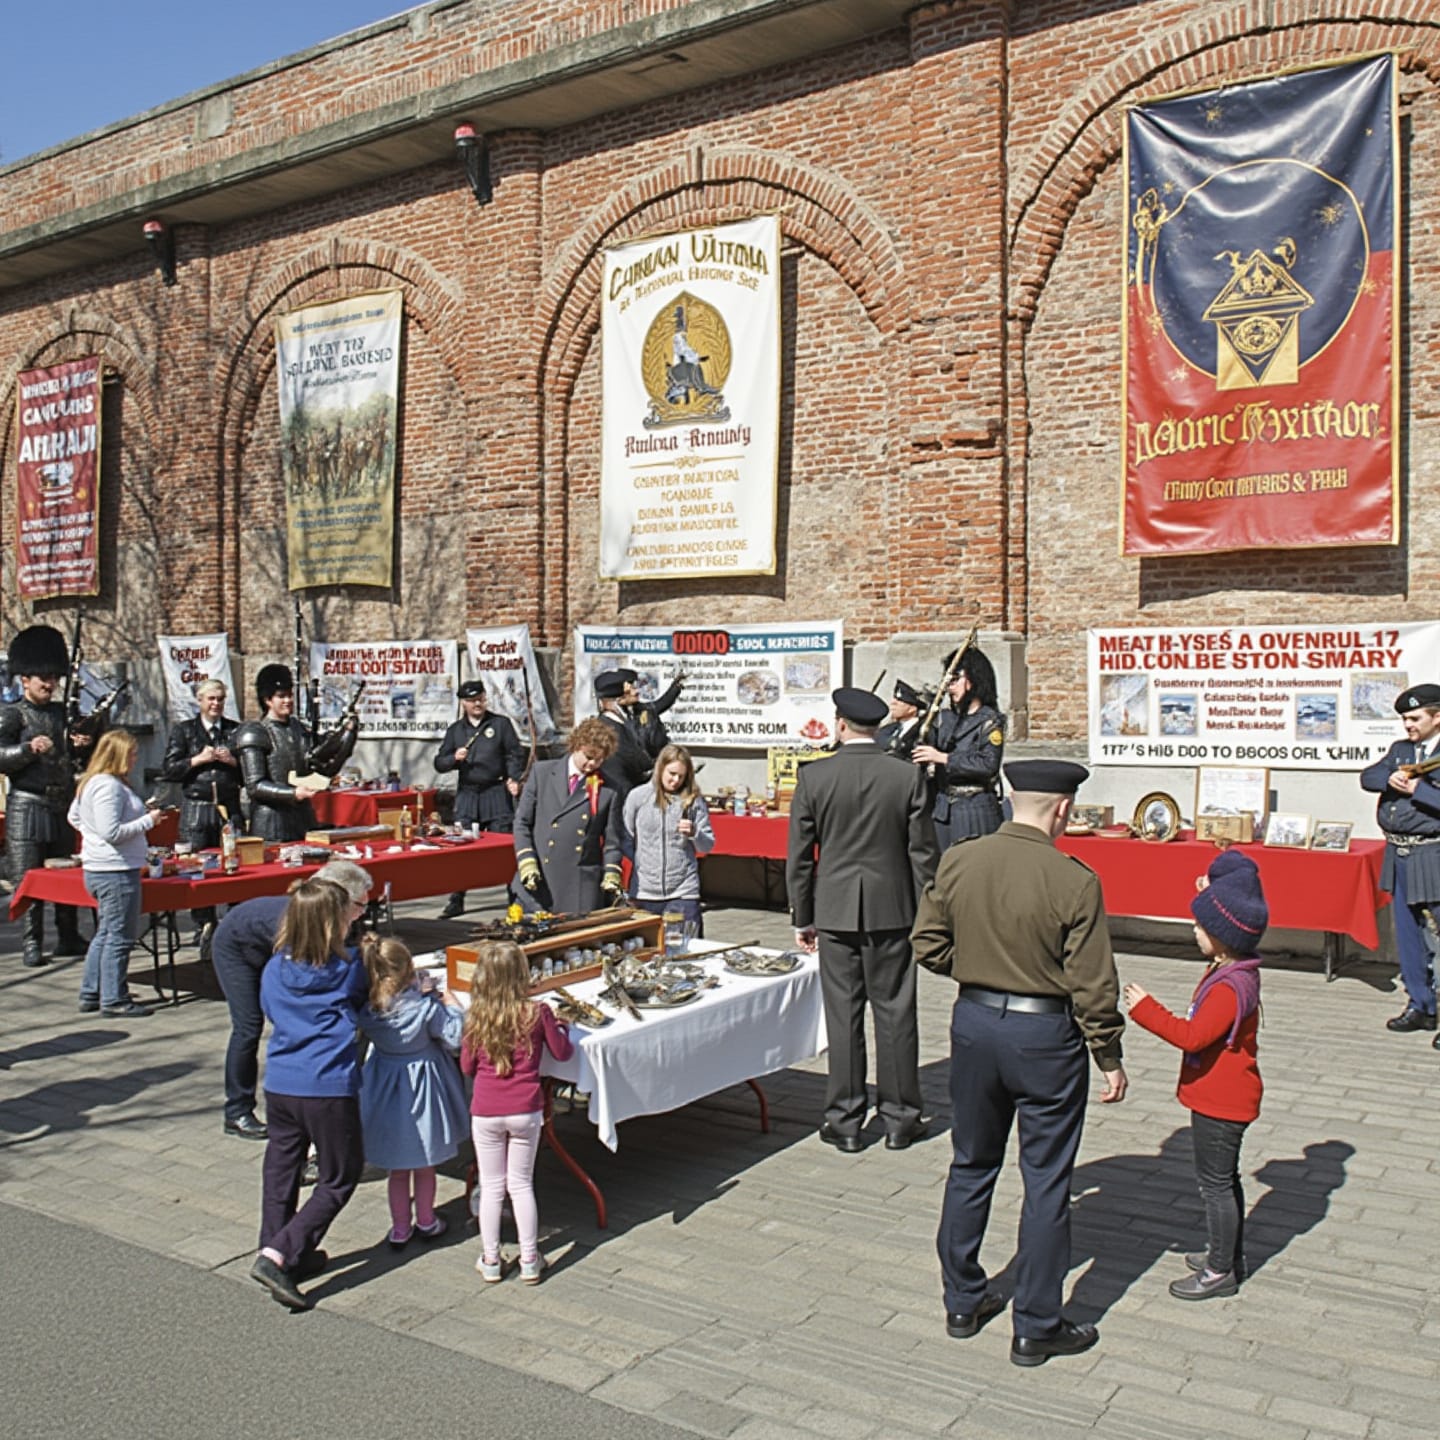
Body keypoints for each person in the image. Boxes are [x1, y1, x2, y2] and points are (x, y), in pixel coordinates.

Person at [911, 759, 1126, 1366]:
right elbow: (1092, 984)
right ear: (1062, 808)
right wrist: (1107, 1053)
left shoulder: (962, 858)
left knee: (971, 1163)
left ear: (1011, 799)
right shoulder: (1074, 879)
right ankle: (1035, 1323)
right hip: (1046, 1035)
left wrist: (979, 973)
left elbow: (926, 943)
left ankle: (962, 1299)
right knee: (1046, 1181)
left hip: (975, 1022)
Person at [785, 687, 940, 1152]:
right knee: (895, 1012)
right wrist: (929, 913)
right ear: (877, 727)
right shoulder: (905, 776)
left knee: (843, 1015)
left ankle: (846, 1119)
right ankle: (899, 1118)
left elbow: (799, 857)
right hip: (893, 909)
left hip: (833, 910)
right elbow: (923, 855)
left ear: (839, 724)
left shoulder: (814, 777)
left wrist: (802, 915)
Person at [1124, 850, 1266, 1300]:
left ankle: (1220, 1270)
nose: (1194, 931)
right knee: (1226, 1180)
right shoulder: (1232, 967)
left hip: (1221, 1101)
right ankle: (1227, 1254)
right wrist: (1213, 889)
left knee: (1216, 1185)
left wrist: (1145, 1010)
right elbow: (1236, 880)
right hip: (1222, 1096)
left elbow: (1192, 1036)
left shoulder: (1229, 986)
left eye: (1201, 928)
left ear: (1222, 937)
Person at [250, 876, 369, 1311]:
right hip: (328, 1085)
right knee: (340, 1175)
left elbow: (268, 1008)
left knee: (281, 1170)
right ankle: (280, 1253)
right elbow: (365, 1004)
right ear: (331, 924)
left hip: (281, 1081)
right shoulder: (349, 967)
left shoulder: (274, 967)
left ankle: (281, 1249)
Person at [210, 859, 374, 1141]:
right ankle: (237, 1110)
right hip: (236, 948)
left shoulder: (327, 918)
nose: (362, 914)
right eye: (360, 906)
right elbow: (303, 979)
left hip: (264, 944)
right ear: (337, 899)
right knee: (248, 1027)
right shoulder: (297, 920)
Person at [461, 940, 574, 1283]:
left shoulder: (476, 1016)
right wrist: (562, 1026)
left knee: (492, 1186)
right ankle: (529, 1258)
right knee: (522, 1184)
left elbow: (466, 1065)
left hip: (486, 1109)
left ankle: (491, 1258)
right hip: (526, 1107)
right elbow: (562, 1052)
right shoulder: (536, 1012)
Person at [357, 935, 469, 1248]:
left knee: (397, 1167)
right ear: (409, 971)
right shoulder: (425, 1010)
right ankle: (427, 1220)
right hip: (424, 1085)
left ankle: (400, 1228)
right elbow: (454, 1037)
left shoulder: (370, 1011)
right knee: (424, 1163)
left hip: (385, 1084)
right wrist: (450, 1004)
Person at [0, 623, 92, 967]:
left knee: (65, 874)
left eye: (54, 677)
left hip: (61, 803)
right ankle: (31, 941)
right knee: (28, 878)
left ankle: (68, 935)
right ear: (25, 679)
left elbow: (72, 756)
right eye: (42, 678)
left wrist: (81, 744)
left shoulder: (61, 714)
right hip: (27, 804)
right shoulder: (12, 713)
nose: (49, 684)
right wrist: (27, 749)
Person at [1360, 684, 1440, 1035]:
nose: (1407, 724)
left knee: (1436, 936)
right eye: (1404, 718)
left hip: (1432, 852)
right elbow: (1369, 776)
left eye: (1414, 718)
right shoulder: (1402, 749)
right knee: (1407, 934)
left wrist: (1418, 791)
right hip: (1399, 851)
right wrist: (1392, 779)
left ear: (1437, 717)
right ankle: (1420, 1003)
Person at [68, 729, 160, 1018]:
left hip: (101, 867)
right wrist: (148, 820)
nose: (135, 759)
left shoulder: (91, 783)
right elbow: (112, 832)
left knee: (105, 933)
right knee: (119, 937)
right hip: (115, 870)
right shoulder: (108, 786)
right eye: (131, 754)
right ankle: (114, 998)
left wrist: (91, 835)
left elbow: (75, 816)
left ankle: (92, 990)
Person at [432, 678, 525, 919]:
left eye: (481, 699)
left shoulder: (500, 724)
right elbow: (439, 763)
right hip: (468, 794)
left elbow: (515, 754)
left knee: (504, 847)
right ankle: (457, 898)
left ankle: (514, 898)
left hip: (495, 792)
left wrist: (514, 777)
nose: (478, 704)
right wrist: (454, 757)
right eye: (473, 700)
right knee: (462, 849)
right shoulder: (456, 731)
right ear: (463, 703)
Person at [233, 663, 357, 842]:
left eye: (290, 695)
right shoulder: (255, 732)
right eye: (281, 696)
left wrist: (348, 732)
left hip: (302, 819)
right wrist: (293, 793)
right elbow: (255, 785)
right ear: (268, 700)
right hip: (271, 823)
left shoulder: (298, 728)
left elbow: (322, 762)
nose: (288, 701)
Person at [160, 678, 241, 951]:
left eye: (220, 698)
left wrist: (233, 761)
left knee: (233, 863)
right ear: (200, 701)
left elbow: (252, 772)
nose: (216, 704)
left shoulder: (234, 731)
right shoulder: (184, 731)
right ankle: (203, 924)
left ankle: (234, 920)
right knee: (195, 867)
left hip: (228, 806)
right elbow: (169, 769)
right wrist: (197, 760)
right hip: (196, 805)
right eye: (211, 699)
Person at [512, 717, 624, 915]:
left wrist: (611, 872)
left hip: (579, 884)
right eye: (589, 757)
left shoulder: (609, 789)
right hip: (541, 876)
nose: (592, 764)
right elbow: (522, 822)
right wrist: (526, 860)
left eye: (599, 760)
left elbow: (612, 841)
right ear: (577, 745)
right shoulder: (542, 773)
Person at [912, 646, 1005, 847]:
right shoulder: (944, 718)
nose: (949, 687)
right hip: (943, 807)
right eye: (947, 681)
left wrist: (944, 758)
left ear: (973, 680)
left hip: (975, 807)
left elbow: (988, 764)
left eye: (955, 680)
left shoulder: (990, 720)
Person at [623, 743, 714, 935]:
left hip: (683, 891)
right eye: (672, 774)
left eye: (681, 776)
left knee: (686, 949)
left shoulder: (693, 801)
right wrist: (641, 862)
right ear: (660, 768)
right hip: (644, 891)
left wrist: (694, 833)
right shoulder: (638, 797)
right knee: (647, 952)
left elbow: (707, 845)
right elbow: (626, 837)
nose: (675, 780)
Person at [594, 669, 652, 801]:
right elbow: (635, 760)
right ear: (618, 700)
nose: (635, 692)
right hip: (620, 795)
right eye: (628, 691)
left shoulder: (621, 720)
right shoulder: (609, 727)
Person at [626, 668, 685, 762]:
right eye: (632, 689)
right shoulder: (618, 718)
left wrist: (675, 687)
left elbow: (662, 703)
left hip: (655, 759)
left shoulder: (643, 709)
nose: (636, 691)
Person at [876, 679, 929, 760]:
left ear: (912, 709)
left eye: (899, 701)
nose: (893, 703)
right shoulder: (887, 729)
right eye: (894, 700)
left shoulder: (922, 730)